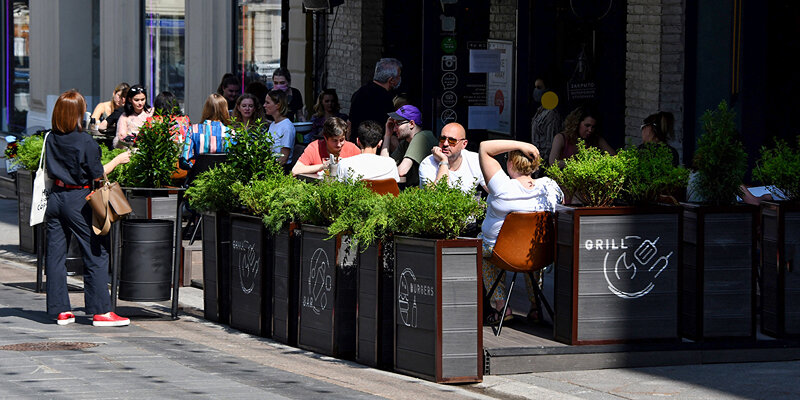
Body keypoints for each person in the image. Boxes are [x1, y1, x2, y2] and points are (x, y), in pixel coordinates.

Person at [45, 89, 132, 327]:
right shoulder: (85, 141)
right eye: (82, 108)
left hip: (56, 198)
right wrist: (117, 160)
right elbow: (96, 174)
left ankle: (60, 310)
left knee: (55, 255)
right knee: (96, 252)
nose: (85, 111)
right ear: (76, 113)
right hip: (78, 198)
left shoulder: (51, 137)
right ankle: (101, 311)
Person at [478, 139, 564, 325]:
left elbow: (485, 147)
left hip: (501, 254)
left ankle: (502, 307)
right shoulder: (550, 186)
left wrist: (519, 145)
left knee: (481, 249)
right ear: (534, 166)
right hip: (539, 255)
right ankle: (535, 306)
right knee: (531, 246)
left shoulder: (502, 187)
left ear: (509, 163)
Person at [380, 104, 437, 187]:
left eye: (397, 124)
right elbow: (384, 167)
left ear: (411, 124)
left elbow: (402, 171)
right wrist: (388, 134)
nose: (394, 129)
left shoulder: (422, 137)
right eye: (393, 124)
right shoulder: (405, 143)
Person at [418, 122, 485, 192]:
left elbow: (493, 190)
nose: (445, 144)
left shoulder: (475, 160)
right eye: (442, 139)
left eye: (452, 140)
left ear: (464, 144)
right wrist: (443, 161)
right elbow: (435, 195)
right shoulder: (427, 164)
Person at [349, 58, 403, 143]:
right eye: (399, 76)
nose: (400, 78)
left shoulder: (359, 93)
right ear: (391, 80)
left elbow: (350, 124)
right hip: (376, 147)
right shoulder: (385, 99)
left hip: (358, 145)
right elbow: (390, 130)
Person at [549, 106, 615, 168]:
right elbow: (552, 162)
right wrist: (580, 164)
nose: (590, 130)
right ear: (576, 123)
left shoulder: (596, 139)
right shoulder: (561, 138)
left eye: (593, 127)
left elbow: (613, 156)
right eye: (587, 125)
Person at [292, 116, 360, 176]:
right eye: (334, 141)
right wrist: (324, 166)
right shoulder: (314, 147)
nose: (339, 144)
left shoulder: (352, 148)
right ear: (325, 138)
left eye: (342, 140)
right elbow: (295, 170)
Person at [180, 93, 232, 170]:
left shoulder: (193, 130)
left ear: (206, 109)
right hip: (223, 179)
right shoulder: (231, 133)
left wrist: (195, 167)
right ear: (225, 110)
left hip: (199, 178)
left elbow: (184, 161)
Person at [530, 78, 562, 166]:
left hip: (543, 163)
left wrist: (542, 164)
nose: (536, 91)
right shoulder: (540, 110)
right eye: (535, 87)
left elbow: (550, 144)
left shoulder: (551, 114)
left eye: (539, 87)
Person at [114, 84, 154, 148]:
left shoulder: (152, 112)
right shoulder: (124, 116)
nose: (140, 103)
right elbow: (121, 136)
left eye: (143, 99)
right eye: (136, 100)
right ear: (130, 100)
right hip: (130, 150)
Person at [264, 89, 296, 166]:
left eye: (267, 103)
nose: (264, 105)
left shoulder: (287, 126)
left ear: (278, 105)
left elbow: (283, 158)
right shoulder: (273, 124)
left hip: (281, 169)